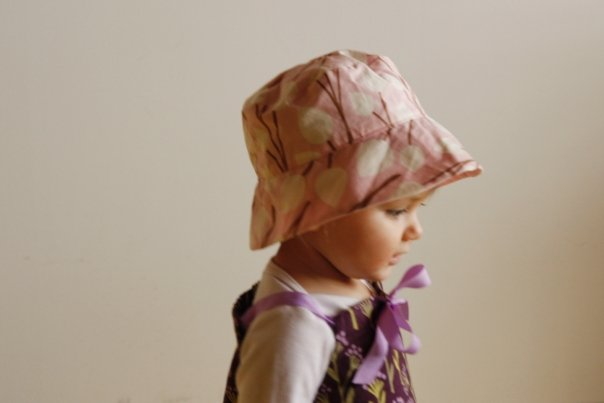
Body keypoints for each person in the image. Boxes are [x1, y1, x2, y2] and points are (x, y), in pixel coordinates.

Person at [223, 50, 482, 403]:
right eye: (395, 211)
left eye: (417, 207)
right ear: (316, 208)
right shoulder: (293, 328)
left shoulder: (345, 276)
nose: (415, 230)